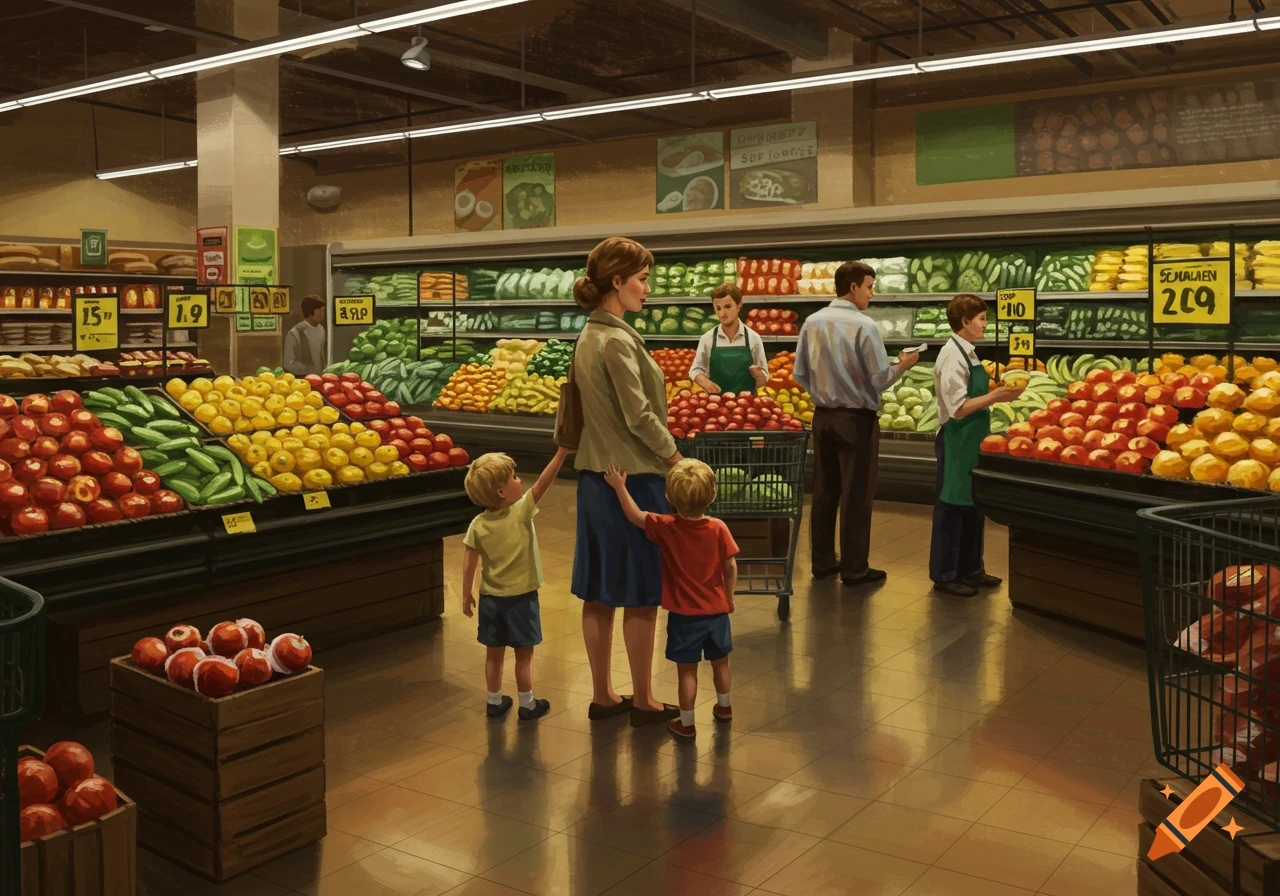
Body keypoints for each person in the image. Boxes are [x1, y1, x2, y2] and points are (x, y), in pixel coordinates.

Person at [570, 236, 682, 728]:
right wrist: (675, 457)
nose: (647, 289)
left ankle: (602, 695)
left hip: (595, 478)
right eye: (641, 279)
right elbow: (638, 416)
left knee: (599, 591)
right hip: (634, 479)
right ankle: (644, 700)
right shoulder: (616, 340)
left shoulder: (589, 335)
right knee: (641, 593)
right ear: (616, 282)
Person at [794, 261, 919, 587]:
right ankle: (854, 568)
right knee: (856, 493)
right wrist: (904, 364)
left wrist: (824, 392)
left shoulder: (812, 322)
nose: (871, 294)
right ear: (853, 288)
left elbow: (799, 373)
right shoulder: (865, 326)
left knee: (824, 491)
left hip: (822, 417)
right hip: (856, 420)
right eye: (869, 287)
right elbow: (880, 379)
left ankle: (822, 562)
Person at [604, 459, 738, 740]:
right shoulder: (718, 528)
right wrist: (728, 598)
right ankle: (724, 707)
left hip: (684, 616)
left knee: (687, 672)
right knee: (721, 663)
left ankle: (686, 724)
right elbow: (730, 567)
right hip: (717, 613)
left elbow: (635, 516)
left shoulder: (667, 527)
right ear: (712, 495)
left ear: (669, 497)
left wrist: (619, 487)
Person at [461, 447, 573, 720]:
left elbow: (469, 562)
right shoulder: (521, 511)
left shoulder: (477, 524)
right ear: (502, 492)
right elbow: (543, 483)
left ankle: (494, 701)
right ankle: (528, 704)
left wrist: (466, 594)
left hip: (490, 599)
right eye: (513, 477)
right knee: (524, 655)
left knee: (494, 655)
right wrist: (560, 454)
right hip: (521, 598)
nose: (519, 480)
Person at [929, 294, 1024, 597]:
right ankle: (946, 575)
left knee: (973, 504)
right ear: (964, 321)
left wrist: (999, 391)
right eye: (982, 319)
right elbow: (957, 408)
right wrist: (996, 396)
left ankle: (971, 569)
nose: (986, 324)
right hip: (956, 439)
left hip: (973, 440)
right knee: (951, 507)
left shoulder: (968, 352)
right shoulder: (951, 355)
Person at [689, 284, 769, 396]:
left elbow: (764, 374)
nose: (722, 313)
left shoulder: (753, 338)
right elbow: (695, 369)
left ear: (739, 305)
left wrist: (760, 376)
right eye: (718, 308)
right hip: (716, 402)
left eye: (727, 307)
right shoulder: (707, 339)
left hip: (747, 403)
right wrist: (705, 382)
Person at [284, 295, 326, 377]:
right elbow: (288, 363)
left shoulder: (321, 330)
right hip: (301, 380)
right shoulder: (295, 333)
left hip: (319, 379)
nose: (322, 314)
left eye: (323, 311)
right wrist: (308, 370)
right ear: (310, 312)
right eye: (320, 311)